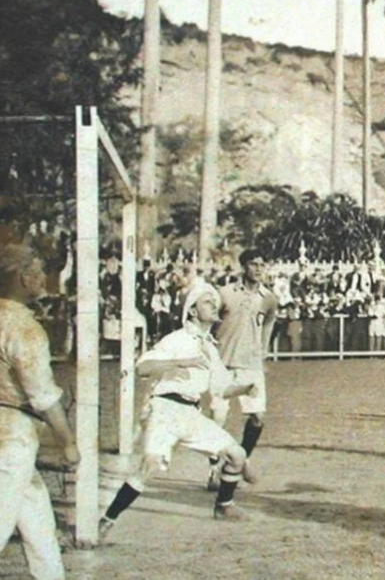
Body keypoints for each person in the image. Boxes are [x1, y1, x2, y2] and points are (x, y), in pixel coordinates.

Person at [98, 282, 259, 539]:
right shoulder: (177, 339)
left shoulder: (210, 348)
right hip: (165, 409)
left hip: (192, 413)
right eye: (207, 301)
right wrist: (181, 361)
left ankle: (223, 506)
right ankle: (107, 519)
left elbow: (221, 389)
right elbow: (142, 368)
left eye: (215, 301)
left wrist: (244, 388)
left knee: (238, 455)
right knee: (148, 465)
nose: (214, 305)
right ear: (193, 311)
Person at [0, 243, 80, 580]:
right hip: (13, 430)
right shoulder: (24, 328)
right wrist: (68, 442)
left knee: (35, 517)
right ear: (22, 276)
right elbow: (42, 396)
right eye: (38, 271)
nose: (44, 279)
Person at [207, 250, 278, 491]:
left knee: (257, 418)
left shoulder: (268, 297)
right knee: (218, 418)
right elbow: (209, 321)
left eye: (262, 264)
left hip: (251, 365)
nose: (258, 269)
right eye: (253, 264)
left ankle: (241, 460)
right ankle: (214, 470)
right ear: (243, 266)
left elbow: (269, 321)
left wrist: (264, 349)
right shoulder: (225, 294)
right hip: (224, 364)